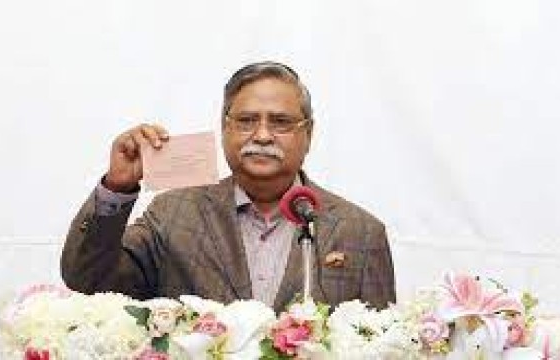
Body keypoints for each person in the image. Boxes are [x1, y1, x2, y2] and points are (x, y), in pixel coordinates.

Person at [61, 61, 396, 313]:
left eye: (280, 122)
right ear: (225, 128)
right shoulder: (173, 215)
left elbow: (383, 347)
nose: (262, 136)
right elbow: (89, 281)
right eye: (247, 121)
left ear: (307, 134)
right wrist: (116, 189)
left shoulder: (360, 234)